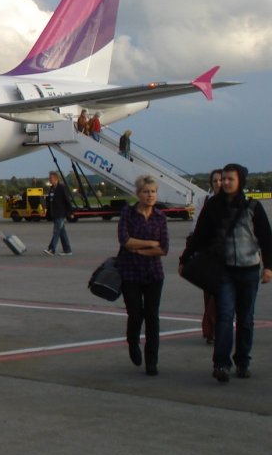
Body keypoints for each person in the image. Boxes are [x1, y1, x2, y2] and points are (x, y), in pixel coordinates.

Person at [180, 164, 272, 383]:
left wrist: (268, 267)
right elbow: (200, 235)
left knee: (246, 319)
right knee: (224, 316)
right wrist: (185, 258)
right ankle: (221, 363)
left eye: (230, 179)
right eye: (223, 179)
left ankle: (242, 361)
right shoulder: (213, 206)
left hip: (249, 269)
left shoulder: (253, 207)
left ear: (240, 181)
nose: (225, 183)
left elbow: (266, 238)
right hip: (224, 271)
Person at [116, 176, 169, 376]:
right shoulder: (128, 214)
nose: (150, 195)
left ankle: (152, 360)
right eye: (146, 192)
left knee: (152, 317)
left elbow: (163, 248)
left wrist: (141, 249)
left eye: (153, 191)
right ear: (138, 194)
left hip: (154, 273)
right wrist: (151, 243)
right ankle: (133, 342)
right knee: (135, 314)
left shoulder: (160, 217)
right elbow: (125, 240)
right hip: (130, 272)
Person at [196, 168, 223, 344]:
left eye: (222, 180)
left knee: (221, 295)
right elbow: (195, 229)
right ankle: (211, 329)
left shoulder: (234, 203)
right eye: (215, 181)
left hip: (226, 258)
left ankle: (213, 328)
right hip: (208, 256)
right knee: (209, 295)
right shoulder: (204, 201)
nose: (219, 184)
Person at [44, 171, 73, 256]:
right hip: (54, 213)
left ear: (56, 179)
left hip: (60, 213)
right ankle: (67, 250)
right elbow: (50, 201)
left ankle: (51, 249)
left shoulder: (61, 188)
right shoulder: (52, 188)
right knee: (62, 232)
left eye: (51, 178)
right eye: (49, 178)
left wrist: (71, 212)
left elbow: (67, 200)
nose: (49, 179)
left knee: (56, 231)